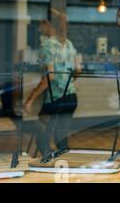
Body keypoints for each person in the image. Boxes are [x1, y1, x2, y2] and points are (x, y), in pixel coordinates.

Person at [24, 11, 81, 161]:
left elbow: (50, 76)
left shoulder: (48, 45)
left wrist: (30, 99)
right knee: (61, 139)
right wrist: (67, 84)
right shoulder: (68, 44)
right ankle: (64, 170)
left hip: (55, 100)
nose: (39, 28)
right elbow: (78, 69)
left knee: (41, 138)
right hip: (71, 98)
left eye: (41, 24)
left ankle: (51, 167)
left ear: (48, 24)